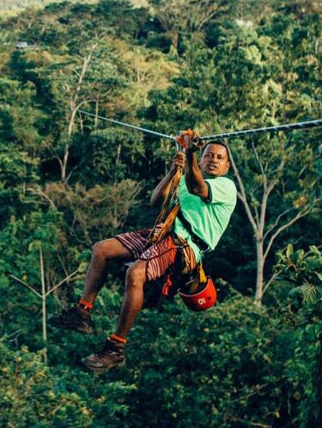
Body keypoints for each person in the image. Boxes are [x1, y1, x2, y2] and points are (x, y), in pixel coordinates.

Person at [48, 129, 237, 372]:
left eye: (219, 158)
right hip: (162, 233)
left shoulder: (225, 186)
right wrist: (173, 171)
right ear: (201, 160)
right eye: (208, 155)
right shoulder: (187, 178)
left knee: (135, 274)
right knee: (102, 250)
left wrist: (190, 152)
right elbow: (157, 200)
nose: (213, 160)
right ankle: (82, 312)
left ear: (227, 166)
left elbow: (199, 188)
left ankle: (116, 348)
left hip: (184, 246)